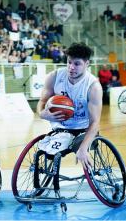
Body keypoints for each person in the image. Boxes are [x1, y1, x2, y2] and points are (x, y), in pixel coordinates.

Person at [37, 42, 102, 170]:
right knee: (43, 153)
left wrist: (83, 148)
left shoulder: (93, 87)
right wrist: (41, 113)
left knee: (83, 154)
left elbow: (95, 123)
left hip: (83, 129)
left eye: (77, 64)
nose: (71, 67)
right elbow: (42, 101)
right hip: (61, 128)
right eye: (69, 62)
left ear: (87, 64)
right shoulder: (54, 77)